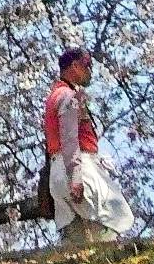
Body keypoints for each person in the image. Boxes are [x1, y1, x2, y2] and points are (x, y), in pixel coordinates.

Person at [41, 45, 135, 245]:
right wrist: (76, 177)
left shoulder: (53, 97)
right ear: (74, 66)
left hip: (57, 173)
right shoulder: (68, 97)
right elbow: (69, 139)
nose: (90, 71)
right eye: (87, 65)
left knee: (76, 237)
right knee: (113, 218)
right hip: (79, 168)